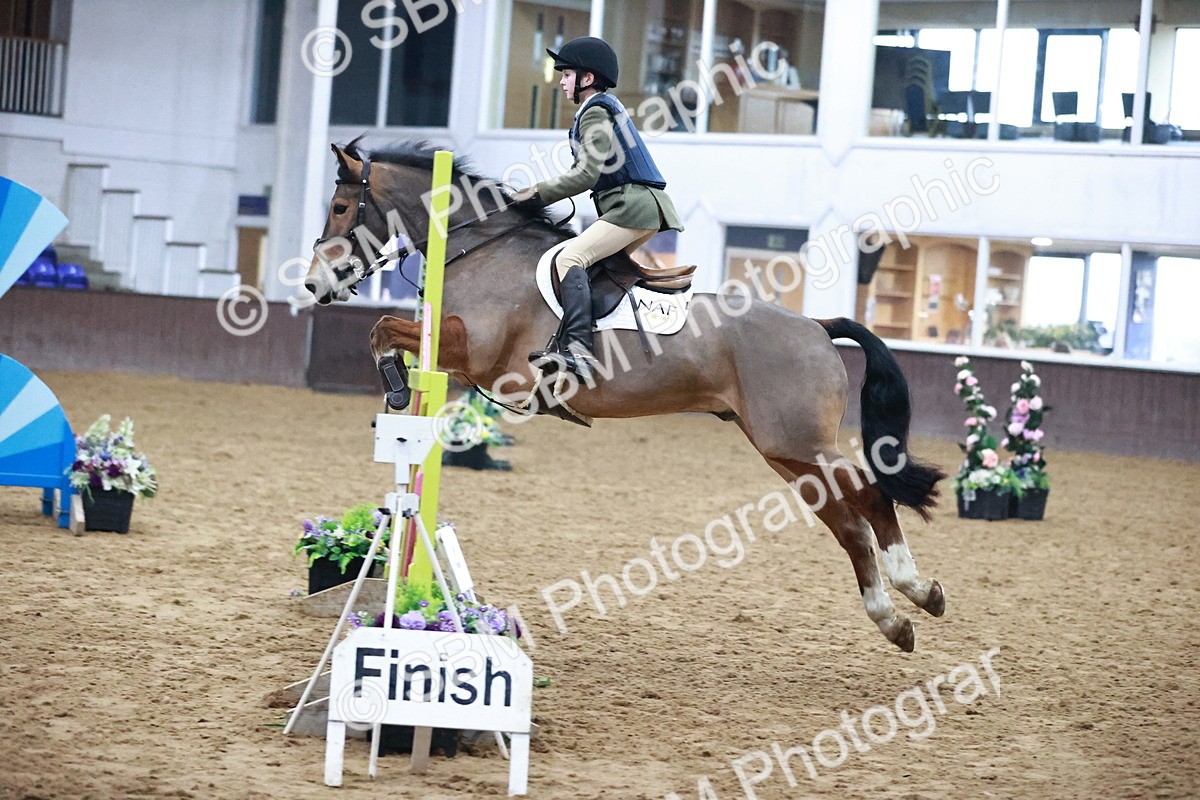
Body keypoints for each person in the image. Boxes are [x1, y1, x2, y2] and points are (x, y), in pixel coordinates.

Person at [514, 36, 684, 382]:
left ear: (587, 79)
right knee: (596, 270)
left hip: (631, 208)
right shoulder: (602, 108)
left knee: (569, 260)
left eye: (566, 74)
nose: (561, 81)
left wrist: (534, 194)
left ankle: (579, 351)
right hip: (638, 207)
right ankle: (602, 341)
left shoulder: (595, 111)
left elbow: (586, 175)